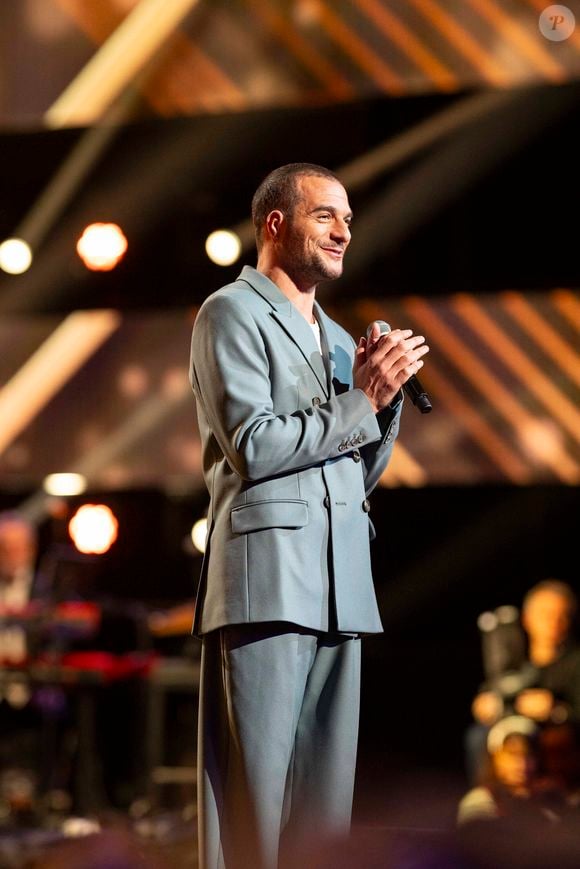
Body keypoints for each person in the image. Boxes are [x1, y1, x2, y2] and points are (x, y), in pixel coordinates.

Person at [189, 162, 429, 869]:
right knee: (257, 801)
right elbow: (256, 447)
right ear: (276, 224)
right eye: (326, 215)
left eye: (348, 219)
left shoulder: (333, 334)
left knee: (324, 815)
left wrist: (377, 406)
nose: (343, 230)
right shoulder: (229, 312)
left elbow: (354, 476)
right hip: (267, 579)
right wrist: (363, 400)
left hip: (340, 584)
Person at [467, 580, 580, 783]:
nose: (553, 622)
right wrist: (483, 705)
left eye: (562, 615)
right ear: (527, 618)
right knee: (478, 736)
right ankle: (486, 800)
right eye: (545, 614)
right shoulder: (512, 656)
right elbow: (494, 689)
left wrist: (555, 711)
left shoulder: (575, 662)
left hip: (554, 738)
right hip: (509, 732)